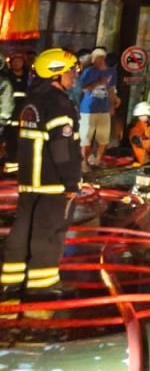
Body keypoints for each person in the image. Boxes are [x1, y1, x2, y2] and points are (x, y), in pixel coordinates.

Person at [1, 48, 82, 306]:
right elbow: (62, 147)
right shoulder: (59, 104)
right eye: (70, 71)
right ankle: (42, 284)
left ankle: (11, 280)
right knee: (50, 230)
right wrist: (71, 181)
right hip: (52, 181)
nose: (73, 76)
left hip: (29, 181)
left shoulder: (32, 101)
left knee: (23, 229)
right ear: (55, 74)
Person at [78, 48, 116, 169]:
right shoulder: (88, 71)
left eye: (100, 58)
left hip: (104, 109)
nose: (97, 61)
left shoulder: (111, 72)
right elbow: (83, 89)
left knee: (103, 137)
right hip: (88, 110)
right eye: (95, 59)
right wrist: (98, 83)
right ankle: (83, 162)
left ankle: (98, 160)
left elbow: (111, 89)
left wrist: (112, 104)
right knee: (86, 138)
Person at [1, 51, 30, 177]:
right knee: (10, 142)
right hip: (10, 116)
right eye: (15, 61)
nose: (17, 63)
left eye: (20, 61)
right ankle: (9, 169)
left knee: (22, 142)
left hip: (24, 114)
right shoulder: (6, 78)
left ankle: (18, 168)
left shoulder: (28, 77)